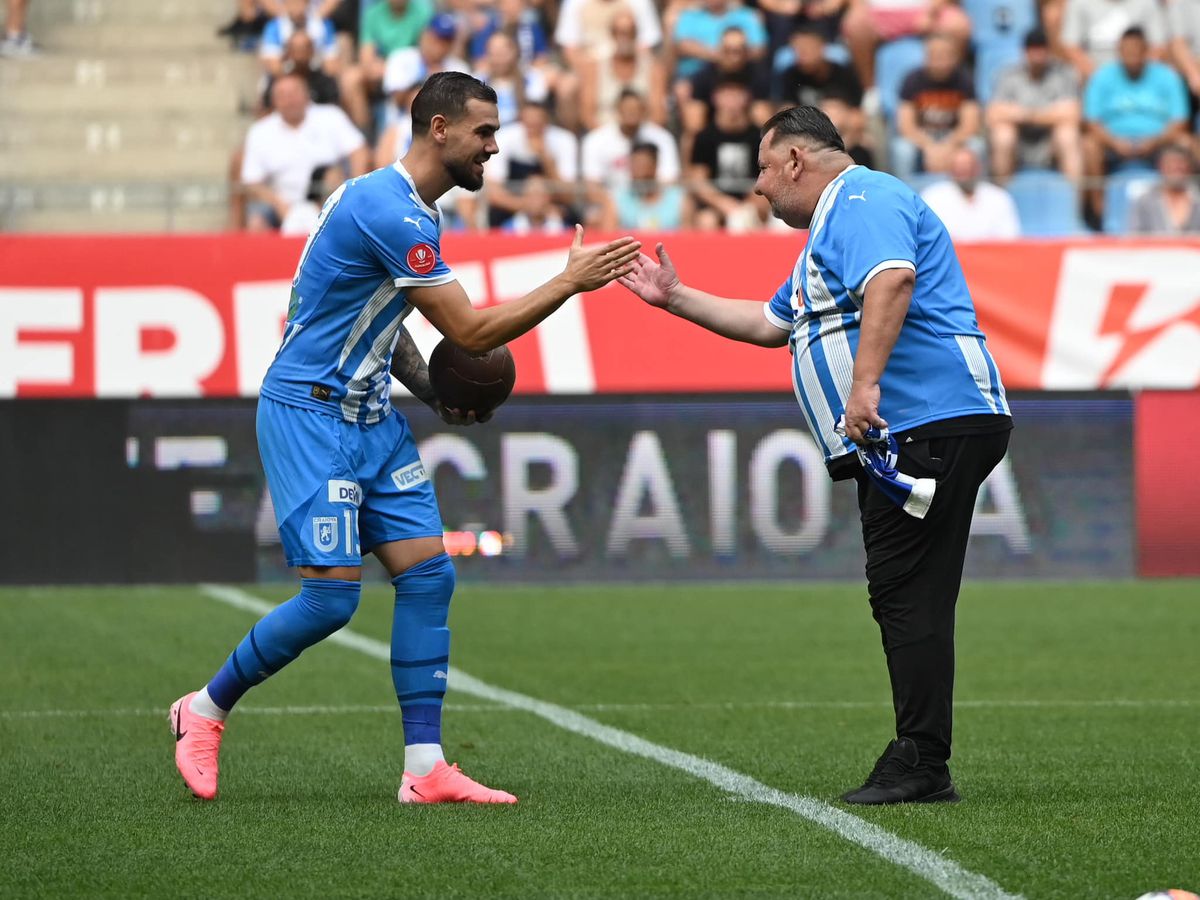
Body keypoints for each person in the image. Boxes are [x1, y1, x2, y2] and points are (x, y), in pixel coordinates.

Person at [171, 72, 641, 805]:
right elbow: (473, 331)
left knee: (428, 575)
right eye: (485, 132)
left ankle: (424, 768)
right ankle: (202, 711)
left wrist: (429, 391)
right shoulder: (389, 212)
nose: (495, 147)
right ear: (441, 130)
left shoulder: (402, 208)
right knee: (330, 600)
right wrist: (568, 281)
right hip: (310, 414)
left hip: (369, 419)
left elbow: (384, 327)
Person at [618, 104, 1011, 805]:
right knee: (909, 592)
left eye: (766, 170)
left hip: (921, 419)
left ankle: (921, 759)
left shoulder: (862, 198)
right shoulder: (831, 230)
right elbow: (772, 325)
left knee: (904, 593)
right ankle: (920, 754)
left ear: (797, 161)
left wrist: (863, 388)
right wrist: (674, 298)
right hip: (925, 421)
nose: (761, 189)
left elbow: (892, 279)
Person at [1082, 26, 1189, 223]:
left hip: (1158, 143)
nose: (1131, 57)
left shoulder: (1167, 77)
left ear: (1146, 51)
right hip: (1113, 144)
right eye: (1126, 52)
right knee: (1089, 146)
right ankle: (1098, 213)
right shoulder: (1102, 77)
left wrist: (1155, 141)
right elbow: (1092, 122)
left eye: (1136, 52)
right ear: (1118, 51)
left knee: (1187, 144)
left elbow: (1180, 121)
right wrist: (1114, 142)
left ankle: (1189, 206)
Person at [240, 73, 370, 232]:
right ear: (273, 100)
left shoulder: (331, 116)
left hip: (329, 199)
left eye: (294, 93)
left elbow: (359, 151)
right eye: (282, 96)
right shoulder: (260, 131)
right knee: (256, 221)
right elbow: (251, 182)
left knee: (333, 178)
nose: (289, 100)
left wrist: (353, 190)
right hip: (281, 205)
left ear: (307, 94)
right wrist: (278, 204)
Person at [986, 26, 1082, 182]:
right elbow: (993, 114)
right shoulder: (1009, 75)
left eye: (1041, 49)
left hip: (1050, 143)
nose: (1037, 54)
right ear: (1024, 51)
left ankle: (1074, 203)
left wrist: (1025, 114)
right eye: (1033, 49)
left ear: (1048, 51)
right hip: (1019, 142)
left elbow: (1073, 114)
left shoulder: (1063, 73)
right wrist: (1049, 114)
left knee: (1068, 135)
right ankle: (1001, 198)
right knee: (1003, 136)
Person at [892, 32, 982, 179]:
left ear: (954, 57)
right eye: (935, 55)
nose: (940, 61)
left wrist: (949, 146)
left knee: (976, 147)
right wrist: (930, 147)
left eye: (945, 55)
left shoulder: (964, 80)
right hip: (922, 138)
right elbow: (906, 126)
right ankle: (904, 194)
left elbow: (970, 125)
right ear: (926, 56)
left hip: (954, 137)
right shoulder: (912, 80)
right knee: (903, 150)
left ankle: (975, 194)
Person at [920, 146, 1021, 240]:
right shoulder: (932, 197)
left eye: (968, 166)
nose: (964, 170)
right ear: (950, 169)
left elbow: (1010, 239)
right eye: (959, 166)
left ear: (978, 168)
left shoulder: (999, 198)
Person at [1060, 0, 1166, 80]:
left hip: (1138, 75)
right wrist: (1099, 78)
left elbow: (1158, 47)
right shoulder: (1079, 3)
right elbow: (1070, 46)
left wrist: (1138, 75)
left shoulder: (1147, 3)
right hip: (1094, 78)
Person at [1128, 143, 1200, 233]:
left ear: (1189, 167)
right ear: (1160, 167)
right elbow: (1135, 236)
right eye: (1170, 164)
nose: (1175, 168)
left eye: (1180, 163)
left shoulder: (1197, 197)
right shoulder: (1144, 201)